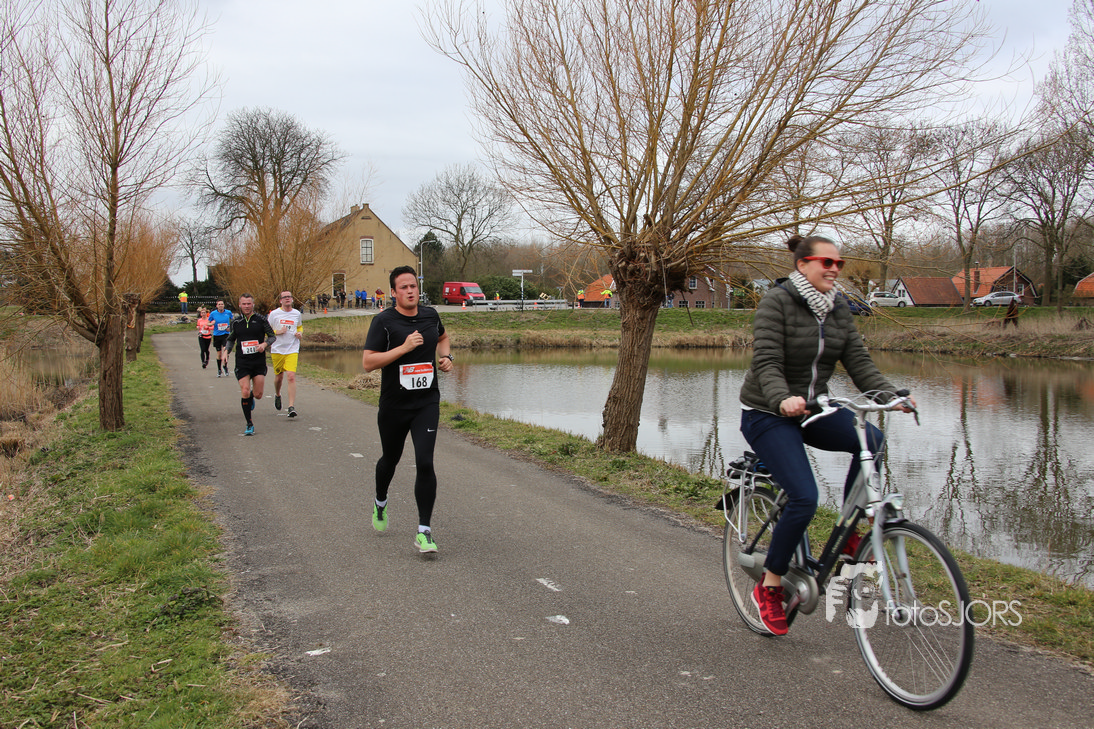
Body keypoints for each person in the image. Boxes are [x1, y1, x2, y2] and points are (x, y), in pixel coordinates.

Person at [738, 233, 915, 636]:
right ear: (803, 265)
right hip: (767, 412)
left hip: (813, 409)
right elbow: (767, 361)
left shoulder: (838, 307)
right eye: (827, 262)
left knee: (872, 441)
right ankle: (770, 585)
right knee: (805, 496)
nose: (834, 269)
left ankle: (851, 533)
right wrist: (782, 398)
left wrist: (890, 396)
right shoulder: (776, 302)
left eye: (840, 263)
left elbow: (859, 362)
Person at [362, 265, 454, 553]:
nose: (410, 291)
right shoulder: (383, 321)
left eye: (413, 285)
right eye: (403, 287)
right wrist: (403, 348)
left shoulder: (431, 315)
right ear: (393, 292)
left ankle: (424, 531)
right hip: (394, 406)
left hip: (426, 402)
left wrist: (446, 357)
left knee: (425, 462)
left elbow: (442, 338)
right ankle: (380, 501)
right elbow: (368, 362)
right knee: (390, 459)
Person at [225, 293, 276, 436]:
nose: (246, 306)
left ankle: (251, 398)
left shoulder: (261, 320)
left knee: (258, 394)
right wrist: (226, 351)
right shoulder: (236, 322)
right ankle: (249, 423)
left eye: (249, 304)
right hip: (242, 362)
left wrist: (264, 344)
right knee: (245, 391)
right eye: (244, 304)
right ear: (239, 305)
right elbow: (231, 339)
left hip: (258, 361)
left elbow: (272, 336)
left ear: (253, 304)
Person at [268, 291, 303, 418]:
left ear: (292, 299)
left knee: (291, 376)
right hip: (277, 349)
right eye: (285, 297)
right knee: (279, 377)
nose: (287, 299)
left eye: (289, 297)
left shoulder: (297, 313)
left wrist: (300, 333)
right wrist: (277, 331)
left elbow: (299, 327)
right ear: (280, 301)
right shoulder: (274, 314)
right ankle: (277, 394)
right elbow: (267, 330)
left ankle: (291, 406)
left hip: (292, 348)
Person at [208, 299, 234, 377]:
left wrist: (230, 328)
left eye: (222, 304)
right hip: (217, 335)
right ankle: (219, 370)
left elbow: (233, 321)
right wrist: (211, 323)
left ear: (224, 305)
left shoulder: (228, 312)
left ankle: (225, 366)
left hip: (226, 335)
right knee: (219, 354)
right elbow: (208, 323)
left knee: (226, 351)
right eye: (219, 304)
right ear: (217, 306)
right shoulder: (213, 313)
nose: (220, 305)